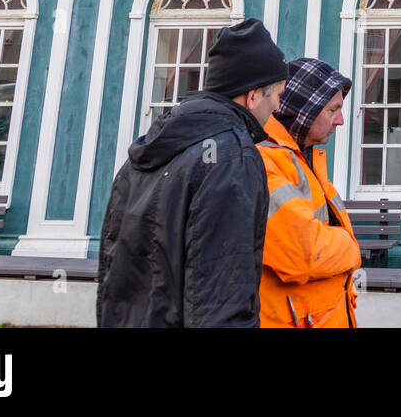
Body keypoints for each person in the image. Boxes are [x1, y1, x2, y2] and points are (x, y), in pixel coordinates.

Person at [97, 17, 287, 327]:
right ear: (252, 96)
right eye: (277, 94)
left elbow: (115, 275)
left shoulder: (146, 149)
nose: (278, 107)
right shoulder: (232, 156)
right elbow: (223, 294)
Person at [257, 57, 361, 328]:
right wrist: (350, 246)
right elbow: (302, 253)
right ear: (304, 111)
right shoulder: (267, 161)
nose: (340, 120)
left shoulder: (304, 159)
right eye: (332, 110)